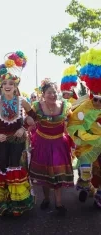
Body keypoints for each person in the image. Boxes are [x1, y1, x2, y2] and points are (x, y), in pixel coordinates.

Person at [0, 51, 36, 217]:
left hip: (17, 139)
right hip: (1, 141)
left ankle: (17, 202)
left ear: (15, 85)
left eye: (11, 83)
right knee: (3, 168)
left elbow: (34, 116)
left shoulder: (22, 101)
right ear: (1, 84)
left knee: (15, 167)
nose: (8, 85)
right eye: (5, 82)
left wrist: (24, 128)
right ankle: (3, 202)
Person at [29, 79, 74, 216]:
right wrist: (28, 121)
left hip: (59, 143)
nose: (52, 95)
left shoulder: (65, 105)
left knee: (58, 174)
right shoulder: (36, 107)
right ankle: (46, 198)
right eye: (49, 92)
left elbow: (70, 123)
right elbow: (28, 122)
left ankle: (59, 203)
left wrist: (73, 142)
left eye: (54, 92)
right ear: (43, 94)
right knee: (45, 174)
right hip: (42, 143)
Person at [67, 49, 101, 207]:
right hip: (88, 143)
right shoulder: (84, 102)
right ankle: (85, 187)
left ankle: (96, 193)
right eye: (95, 93)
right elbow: (73, 121)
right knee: (87, 167)